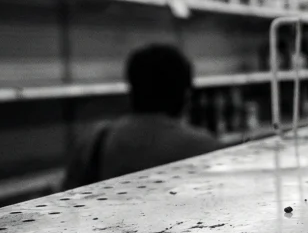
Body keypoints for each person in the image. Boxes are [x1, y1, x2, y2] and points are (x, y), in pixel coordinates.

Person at [62, 45, 221, 189]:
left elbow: (65, 203)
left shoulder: (96, 140)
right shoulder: (205, 148)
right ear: (186, 94)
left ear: (132, 89)